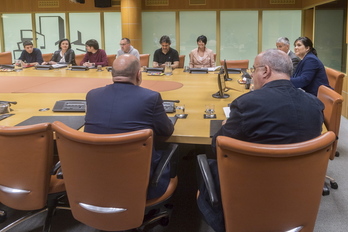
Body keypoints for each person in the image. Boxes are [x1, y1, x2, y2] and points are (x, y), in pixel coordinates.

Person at [197, 49, 325, 232]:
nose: (251, 74)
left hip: (249, 194)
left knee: (203, 162)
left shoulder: (246, 104)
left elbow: (217, 147)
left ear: (265, 71)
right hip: (298, 193)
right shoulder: (315, 104)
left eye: (254, 69)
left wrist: (227, 124)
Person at [84, 54, 174, 200]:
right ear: (139, 75)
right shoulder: (151, 98)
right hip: (141, 183)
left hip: (95, 178)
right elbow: (167, 131)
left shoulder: (92, 96)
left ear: (112, 74)